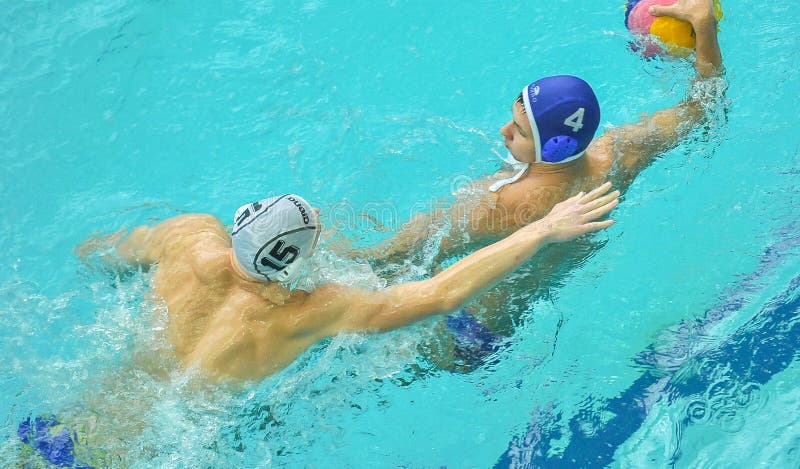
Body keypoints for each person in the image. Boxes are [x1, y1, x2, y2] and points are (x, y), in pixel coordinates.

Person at [73, 185, 618, 385]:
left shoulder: (188, 237)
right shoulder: (308, 310)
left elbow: (103, 256)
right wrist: (544, 229)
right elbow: (442, 294)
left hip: (79, 432)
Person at [367, 0, 724, 264]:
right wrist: (703, 27)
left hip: (470, 326)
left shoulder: (503, 203)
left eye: (519, 131)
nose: (503, 131)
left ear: (555, 147)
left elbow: (392, 258)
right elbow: (703, 104)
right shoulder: (619, 153)